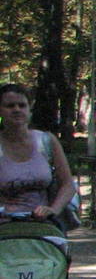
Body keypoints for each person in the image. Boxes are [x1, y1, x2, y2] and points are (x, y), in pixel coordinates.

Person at [0, 83, 76, 236]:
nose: (16, 110)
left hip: (43, 227)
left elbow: (68, 184)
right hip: (4, 229)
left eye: (22, 105)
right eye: (9, 106)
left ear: (29, 109)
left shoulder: (47, 141)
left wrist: (53, 209)